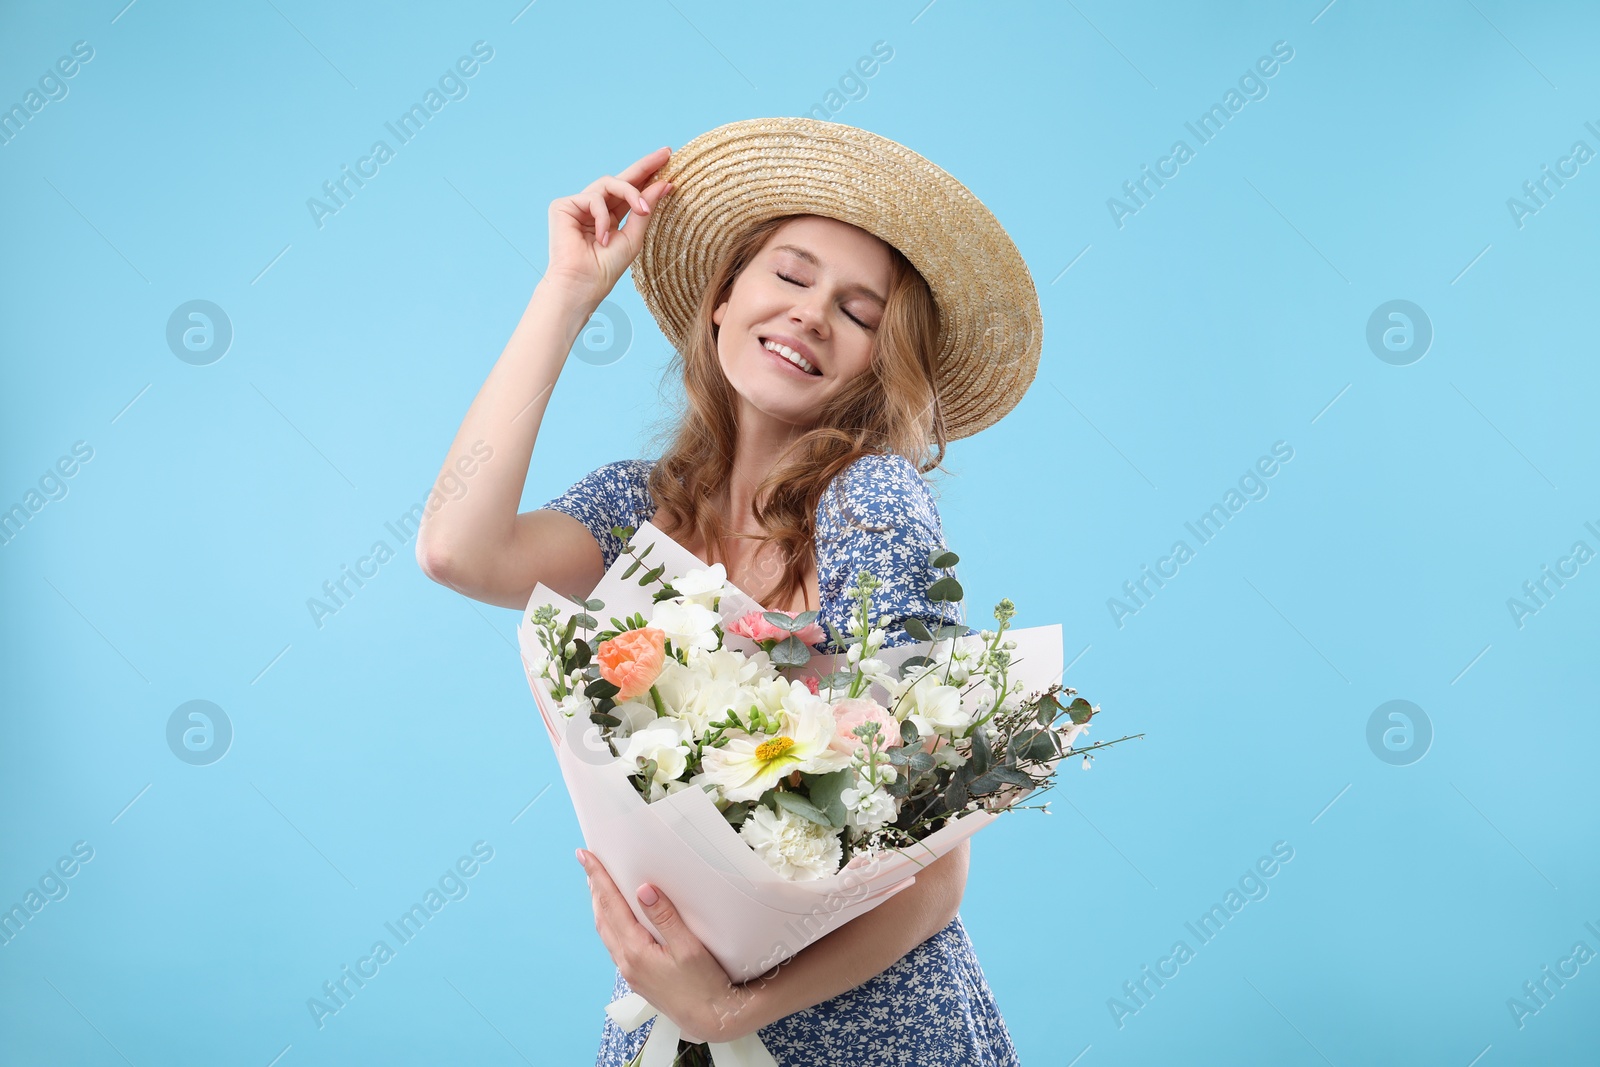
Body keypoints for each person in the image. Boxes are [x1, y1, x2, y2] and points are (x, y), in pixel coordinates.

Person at [416, 117, 1042, 1066]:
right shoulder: (637, 507)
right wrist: (569, 291)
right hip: (669, 1021)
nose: (811, 314)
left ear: (883, 363)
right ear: (723, 298)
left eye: (860, 313)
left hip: (867, 1034)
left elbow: (934, 868)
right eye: (789, 276)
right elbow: (457, 550)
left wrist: (728, 1009)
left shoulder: (871, 504)